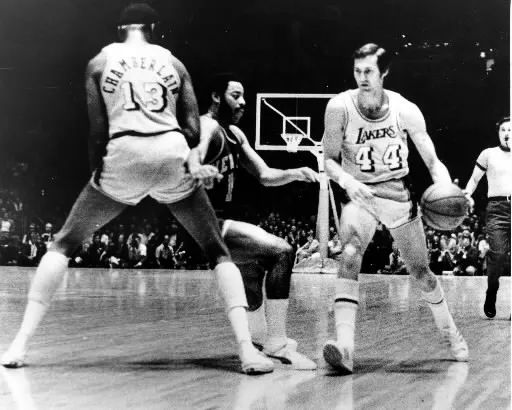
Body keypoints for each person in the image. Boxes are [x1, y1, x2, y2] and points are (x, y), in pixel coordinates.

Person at [2, 3, 273, 375]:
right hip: (170, 150)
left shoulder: (98, 62)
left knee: (63, 243)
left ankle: (19, 344)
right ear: (154, 30)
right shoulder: (174, 63)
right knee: (217, 251)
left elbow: (97, 130)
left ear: (120, 30)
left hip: (125, 150)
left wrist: (100, 171)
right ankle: (247, 351)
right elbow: (193, 129)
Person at [322, 43, 469, 373]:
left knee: (421, 273)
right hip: (360, 195)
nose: (362, 77)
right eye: (357, 71)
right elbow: (328, 159)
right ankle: (345, 347)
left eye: (369, 71)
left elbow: (433, 161)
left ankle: (451, 333)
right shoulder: (339, 107)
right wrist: (348, 182)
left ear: (384, 72)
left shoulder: (405, 109)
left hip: (398, 195)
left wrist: (450, 191)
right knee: (349, 252)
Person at [198, 73, 318, 370]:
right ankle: (277, 342)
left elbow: (264, 175)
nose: (243, 102)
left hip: (219, 221)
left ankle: (259, 339)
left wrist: (295, 172)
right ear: (216, 96)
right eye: (235, 95)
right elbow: (190, 159)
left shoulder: (234, 135)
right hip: (202, 223)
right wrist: (197, 170)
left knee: (252, 270)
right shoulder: (207, 127)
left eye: (243, 96)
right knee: (282, 251)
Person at [463, 117, 511, 318]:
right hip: (497, 209)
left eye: (510, 129)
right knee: (498, 255)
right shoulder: (489, 154)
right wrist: (467, 194)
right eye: (503, 130)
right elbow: (475, 179)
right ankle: (491, 293)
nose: (506, 133)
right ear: (498, 133)